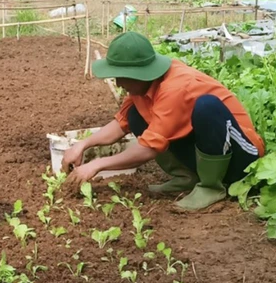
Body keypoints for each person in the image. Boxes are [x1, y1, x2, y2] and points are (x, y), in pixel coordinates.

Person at [63, 31, 265, 210]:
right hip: (211, 151)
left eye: (120, 76)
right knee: (135, 114)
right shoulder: (142, 87)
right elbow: (121, 123)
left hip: (243, 159)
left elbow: (148, 148)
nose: (118, 83)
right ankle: (188, 178)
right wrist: (83, 145)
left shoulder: (175, 87)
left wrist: (97, 165)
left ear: (138, 74)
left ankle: (212, 187)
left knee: (206, 106)